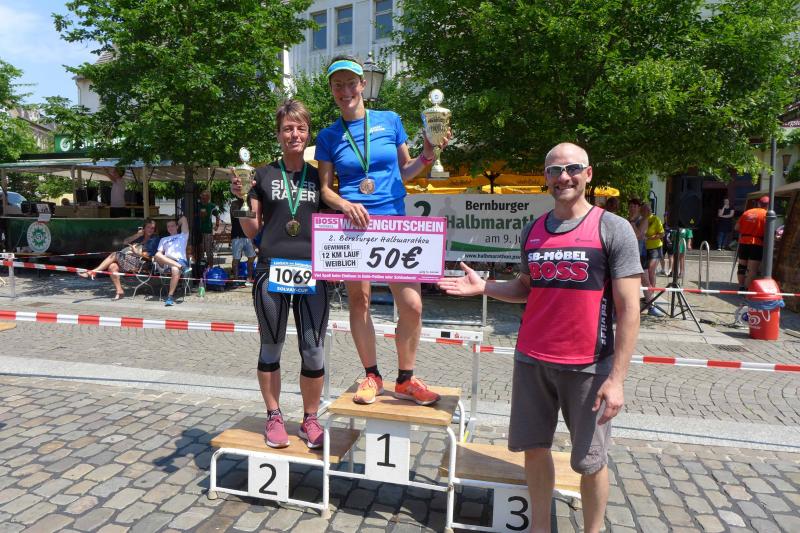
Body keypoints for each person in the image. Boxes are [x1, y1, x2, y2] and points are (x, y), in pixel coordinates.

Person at [438, 143, 641, 533]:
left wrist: (617, 379)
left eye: (573, 168)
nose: (563, 177)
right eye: (554, 170)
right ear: (545, 178)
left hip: (588, 365)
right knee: (534, 449)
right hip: (532, 360)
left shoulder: (612, 228)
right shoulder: (533, 230)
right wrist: (485, 287)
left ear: (588, 174)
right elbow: (525, 287)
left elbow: (630, 309)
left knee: (590, 461)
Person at [315, 55, 450, 406]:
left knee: (412, 305)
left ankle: (405, 379)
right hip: (353, 227)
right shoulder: (328, 135)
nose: (345, 90)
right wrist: (344, 204)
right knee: (359, 301)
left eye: (351, 83)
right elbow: (326, 189)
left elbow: (406, 170)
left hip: (394, 224)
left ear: (362, 85)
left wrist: (428, 155)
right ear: (332, 90)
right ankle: (372, 375)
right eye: (338, 85)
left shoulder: (390, 120)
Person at [231, 99, 329, 449]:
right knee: (271, 345)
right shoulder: (261, 175)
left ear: (308, 133)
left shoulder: (320, 177)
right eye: (288, 128)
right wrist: (239, 200)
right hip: (271, 270)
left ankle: (310, 418)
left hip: (312, 273)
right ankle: (274, 416)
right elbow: (252, 231)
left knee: (313, 349)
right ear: (278, 134)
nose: (294, 134)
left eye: (301, 128)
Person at [79, 218, 160, 300]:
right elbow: (125, 242)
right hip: (130, 260)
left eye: (152, 228)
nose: (150, 230)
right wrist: (137, 235)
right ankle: (119, 291)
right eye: (148, 227)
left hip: (142, 264)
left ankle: (93, 272)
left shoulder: (155, 239)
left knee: (115, 254)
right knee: (112, 267)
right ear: (144, 228)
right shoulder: (139, 237)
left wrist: (137, 253)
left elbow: (151, 257)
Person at [154, 215, 190, 306]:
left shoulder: (182, 236)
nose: (170, 228)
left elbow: (184, 218)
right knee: (157, 254)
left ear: (177, 227)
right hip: (167, 261)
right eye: (168, 226)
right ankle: (182, 268)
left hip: (179, 260)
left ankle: (170, 297)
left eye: (172, 226)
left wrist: (177, 223)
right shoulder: (163, 239)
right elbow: (159, 254)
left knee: (175, 269)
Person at [734, 195, 768, 291]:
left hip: (744, 242)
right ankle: (747, 289)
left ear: (759, 203)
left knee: (742, 266)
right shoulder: (766, 214)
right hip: (757, 243)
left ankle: (741, 286)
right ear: (768, 205)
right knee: (752, 269)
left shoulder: (747, 212)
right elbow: (768, 231)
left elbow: (736, 228)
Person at [229, 195, 257, 284]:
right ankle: (236, 280)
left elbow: (254, 215)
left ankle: (249, 278)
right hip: (237, 236)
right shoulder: (234, 203)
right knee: (236, 259)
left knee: (251, 257)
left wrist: (250, 214)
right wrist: (249, 214)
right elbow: (235, 214)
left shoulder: (249, 204)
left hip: (248, 236)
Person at [198, 189, 221, 269]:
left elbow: (218, 215)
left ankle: (210, 267)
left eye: (205, 197)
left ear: (208, 197)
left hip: (208, 231)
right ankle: (201, 267)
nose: (203, 198)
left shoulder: (212, 206)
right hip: (198, 231)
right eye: (202, 196)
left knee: (209, 251)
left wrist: (217, 225)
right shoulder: (197, 205)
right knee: (200, 250)